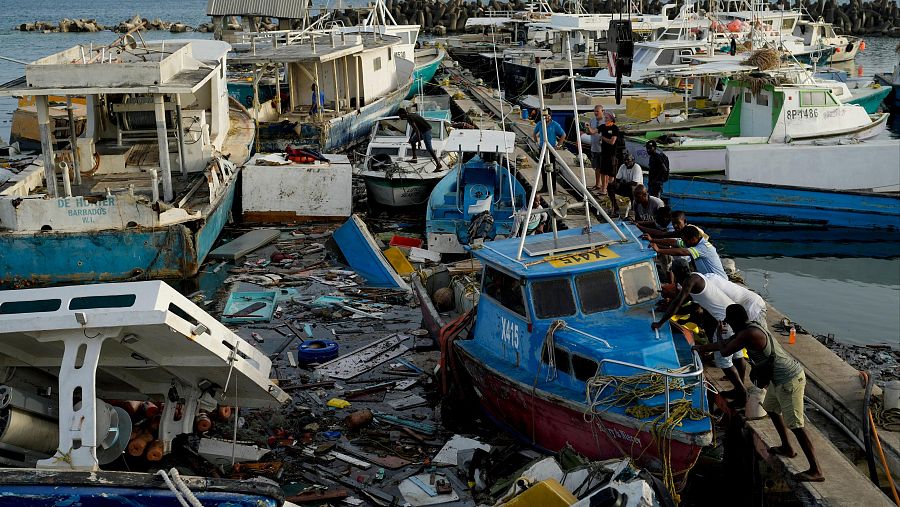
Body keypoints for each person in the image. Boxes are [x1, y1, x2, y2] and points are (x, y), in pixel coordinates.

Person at [701, 304, 824, 483]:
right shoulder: (747, 328)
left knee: (796, 424)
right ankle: (787, 447)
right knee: (771, 409)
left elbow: (725, 350)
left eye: (730, 322)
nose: (729, 326)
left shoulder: (749, 333)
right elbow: (727, 344)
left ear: (736, 321)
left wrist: (719, 333)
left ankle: (816, 470)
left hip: (789, 379)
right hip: (778, 379)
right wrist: (699, 348)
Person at [653, 272, 748, 404]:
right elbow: (687, 304)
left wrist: (660, 322)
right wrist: (666, 308)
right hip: (734, 319)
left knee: (723, 361)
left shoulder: (690, 281)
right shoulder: (699, 277)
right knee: (737, 355)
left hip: (724, 322)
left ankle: (742, 394)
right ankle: (740, 389)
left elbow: (677, 302)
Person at [649, 225, 727, 279]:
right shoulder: (692, 242)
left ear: (693, 239)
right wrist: (652, 240)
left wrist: (659, 250)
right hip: (709, 279)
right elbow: (673, 242)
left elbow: (682, 252)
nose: (683, 243)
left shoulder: (704, 247)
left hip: (719, 281)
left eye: (685, 241)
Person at [532, 108, 566, 193]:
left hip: (551, 149)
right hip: (542, 148)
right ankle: (544, 187)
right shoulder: (540, 124)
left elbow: (563, 134)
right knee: (543, 168)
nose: (546, 118)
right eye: (545, 116)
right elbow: (534, 133)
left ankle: (553, 188)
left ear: (550, 116)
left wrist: (558, 145)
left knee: (552, 168)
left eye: (548, 116)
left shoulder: (555, 125)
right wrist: (536, 142)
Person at [585, 105, 607, 193]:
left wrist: (589, 128)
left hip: (603, 149)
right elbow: (589, 132)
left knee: (603, 169)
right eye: (595, 111)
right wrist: (587, 129)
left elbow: (593, 131)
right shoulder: (592, 120)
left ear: (602, 111)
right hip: (594, 147)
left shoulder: (605, 122)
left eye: (597, 111)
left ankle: (604, 187)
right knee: (596, 168)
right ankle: (597, 184)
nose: (595, 113)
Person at [598, 113, 620, 196]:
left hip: (612, 154)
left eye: (606, 117)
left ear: (611, 118)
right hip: (604, 153)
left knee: (611, 173)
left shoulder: (615, 128)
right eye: (605, 117)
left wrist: (602, 137)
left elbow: (612, 142)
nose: (605, 118)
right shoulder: (603, 126)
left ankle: (610, 188)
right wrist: (588, 127)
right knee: (603, 172)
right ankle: (603, 188)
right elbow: (593, 131)